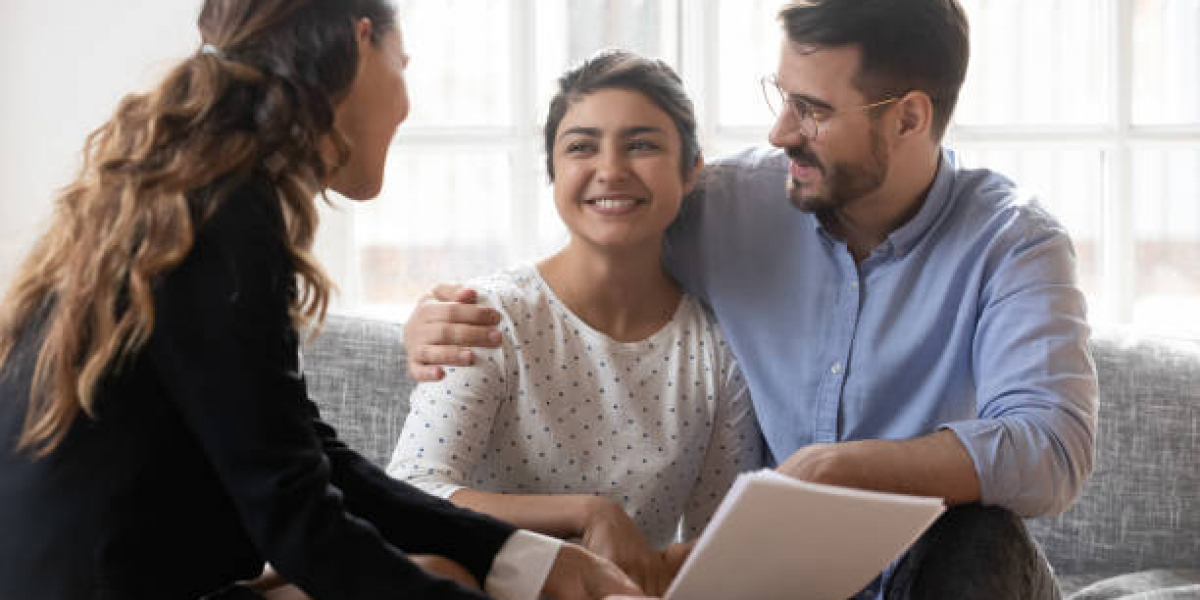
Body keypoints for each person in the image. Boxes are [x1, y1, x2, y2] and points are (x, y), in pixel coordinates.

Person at [402, 0, 1099, 598]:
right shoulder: (725, 208)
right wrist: (438, 314)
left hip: (944, 576)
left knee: (980, 532)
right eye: (782, 95)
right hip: (779, 585)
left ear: (909, 119)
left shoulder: (1014, 242)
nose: (780, 132)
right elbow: (600, 233)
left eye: (812, 110)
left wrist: (837, 468)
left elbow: (1051, 448)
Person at [0, 1, 643, 599]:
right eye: (403, 67)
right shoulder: (227, 220)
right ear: (360, 43)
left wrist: (528, 559)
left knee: (437, 568)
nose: (405, 103)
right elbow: (301, 524)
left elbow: (317, 464)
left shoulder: (195, 198)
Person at [386, 49, 763, 597]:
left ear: (691, 173)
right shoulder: (492, 317)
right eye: (582, 147)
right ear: (554, 172)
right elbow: (410, 490)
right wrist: (587, 514)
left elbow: (712, 545)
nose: (610, 169)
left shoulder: (716, 351)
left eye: (642, 145)